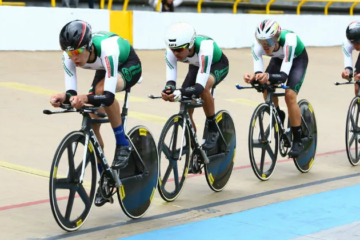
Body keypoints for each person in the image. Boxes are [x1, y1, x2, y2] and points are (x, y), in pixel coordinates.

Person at [49, 20, 142, 207]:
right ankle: (106, 179)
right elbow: (72, 94)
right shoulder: (68, 55)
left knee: (99, 92)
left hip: (126, 63)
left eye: (76, 52)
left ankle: (123, 143)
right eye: (69, 52)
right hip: (104, 69)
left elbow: (108, 97)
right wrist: (63, 97)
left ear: (88, 46)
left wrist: (85, 97)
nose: (73, 57)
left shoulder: (107, 48)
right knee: (92, 118)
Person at [243, 19, 309, 158]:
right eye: (262, 41)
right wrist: (253, 77)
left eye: (270, 41)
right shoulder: (257, 46)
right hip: (279, 59)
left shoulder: (289, 41)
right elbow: (259, 74)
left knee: (289, 96)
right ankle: (279, 113)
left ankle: (297, 140)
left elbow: (283, 76)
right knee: (264, 85)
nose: (265, 45)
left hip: (297, 59)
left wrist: (267, 76)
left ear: (277, 38)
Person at [161, 22, 230, 153]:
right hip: (196, 66)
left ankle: (212, 126)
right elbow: (170, 81)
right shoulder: (172, 51)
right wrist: (168, 90)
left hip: (217, 65)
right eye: (172, 49)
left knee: (203, 89)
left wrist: (179, 92)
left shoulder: (205, 47)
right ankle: (194, 145)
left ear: (190, 45)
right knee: (184, 102)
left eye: (179, 49)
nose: (175, 53)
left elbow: (199, 87)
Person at [341, 21, 360, 96]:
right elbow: (348, 60)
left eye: (357, 43)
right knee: (357, 85)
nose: (354, 46)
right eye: (352, 43)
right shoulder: (346, 43)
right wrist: (347, 72)